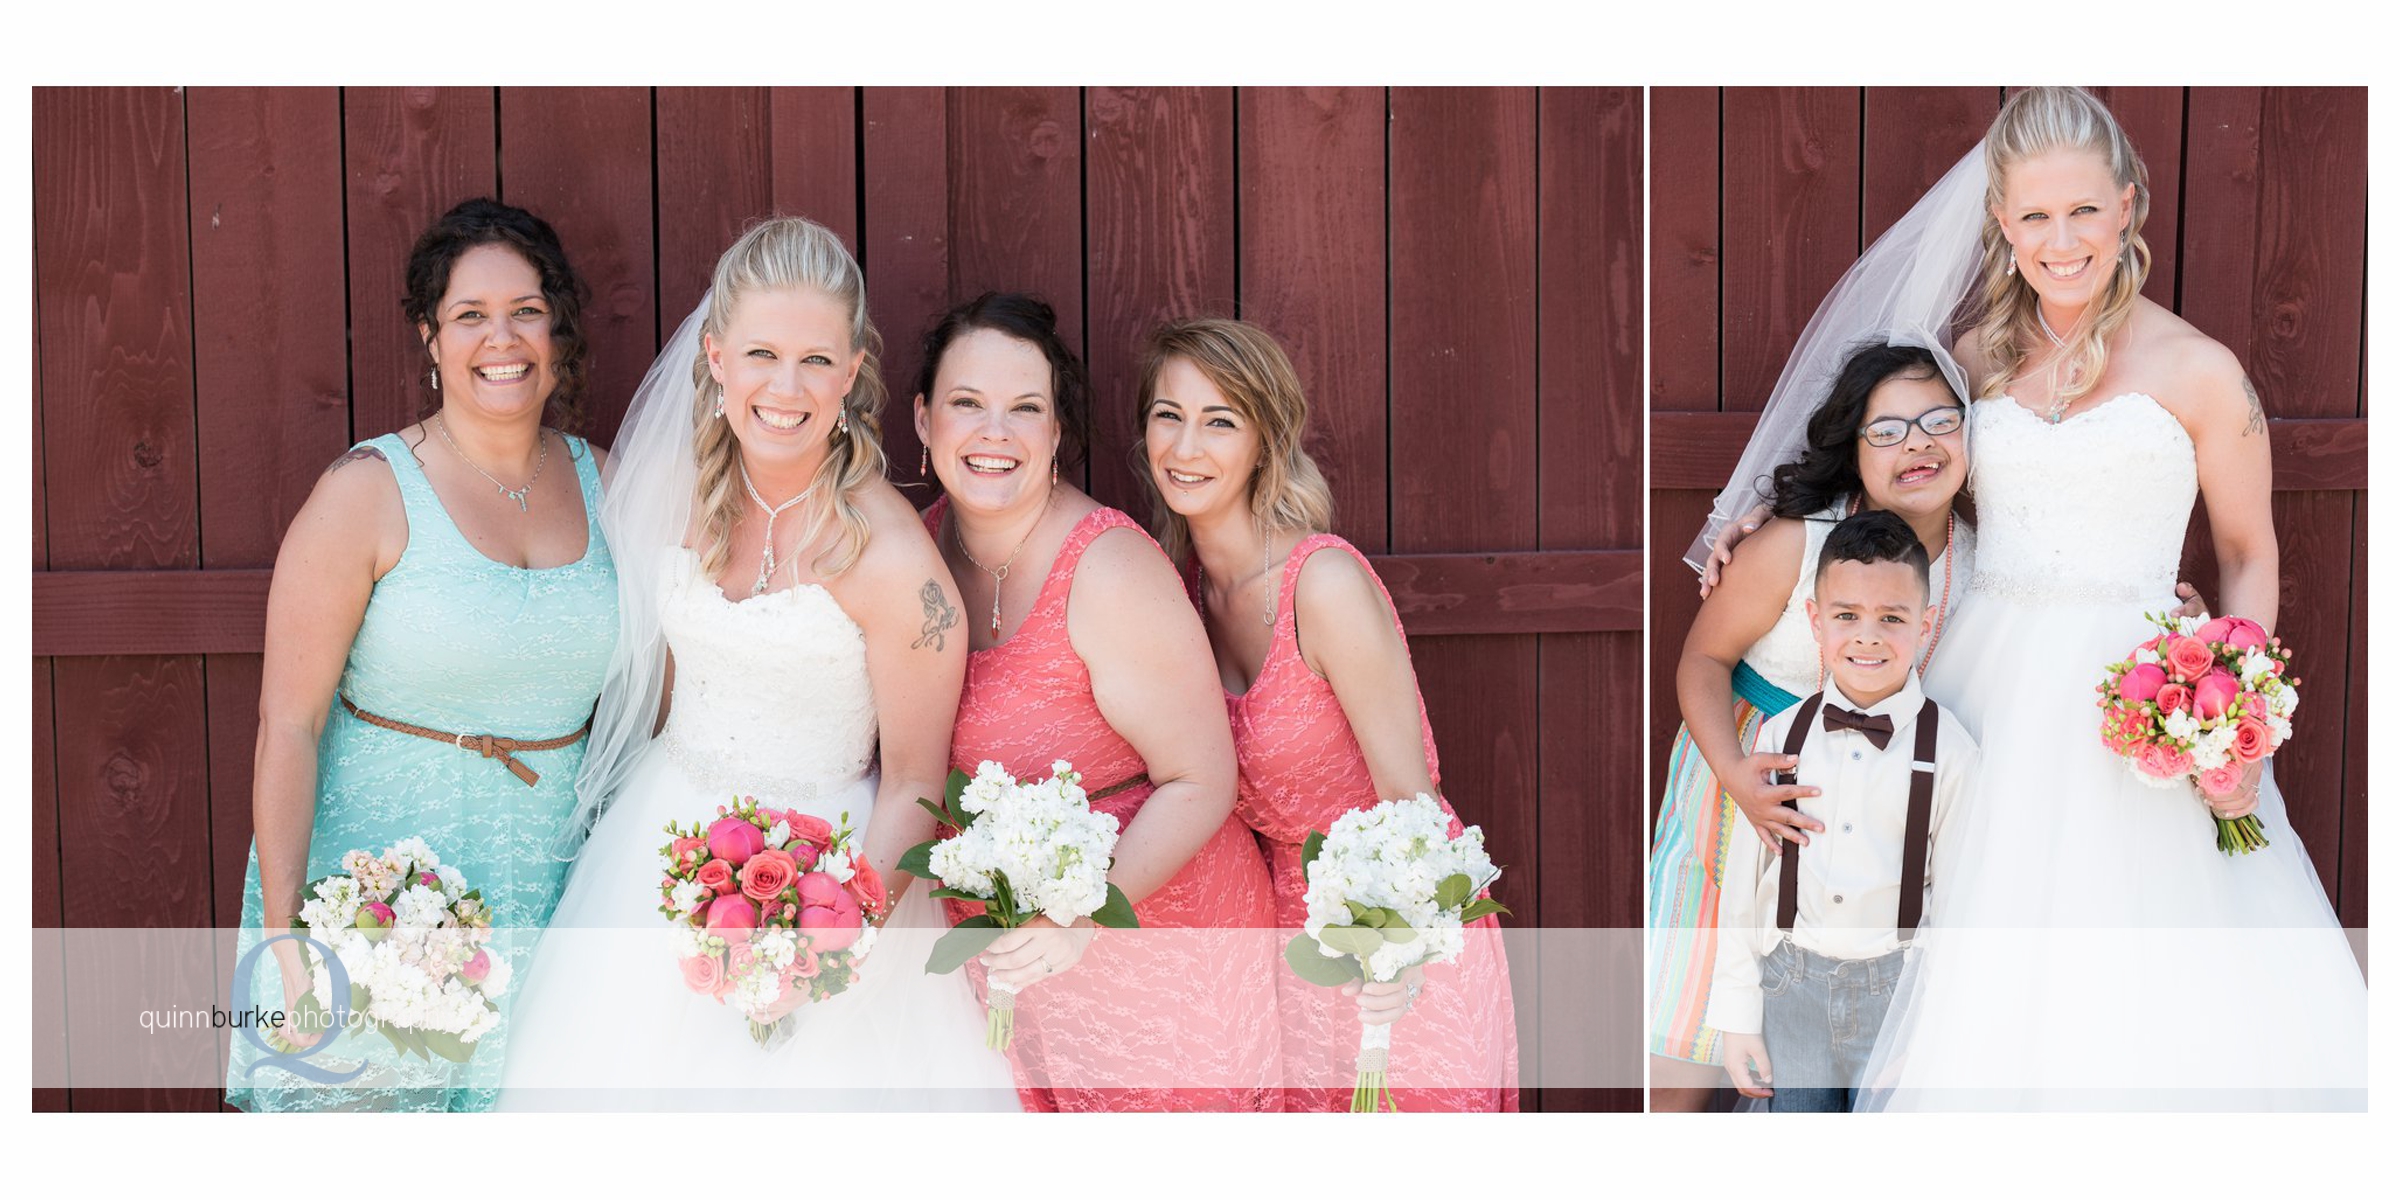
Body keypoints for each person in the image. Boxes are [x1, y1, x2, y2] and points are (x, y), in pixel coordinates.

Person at [1710, 87, 2364, 1109]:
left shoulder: (2203, 373)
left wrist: (2229, 711)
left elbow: (2248, 547)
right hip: (1987, 681)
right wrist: (1785, 517)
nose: (2062, 242)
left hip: (2140, 694)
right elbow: (1906, 470)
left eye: (2085, 212)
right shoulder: (1975, 360)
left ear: (2131, 207)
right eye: (2036, 218)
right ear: (2003, 225)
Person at [496, 217, 1014, 1109]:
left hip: (832, 876)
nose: (787, 387)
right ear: (715, 357)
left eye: (817, 361)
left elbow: (916, 787)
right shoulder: (675, 498)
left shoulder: (894, 563)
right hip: (655, 850)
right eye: (763, 354)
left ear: (852, 374)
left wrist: (830, 937)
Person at [227, 199, 617, 1112]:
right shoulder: (366, 492)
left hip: (553, 891)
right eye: (469, 316)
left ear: (556, 327)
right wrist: (288, 939)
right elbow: (289, 723)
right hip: (382, 894)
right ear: (430, 338)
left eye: (525, 309)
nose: (502, 339)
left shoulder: (608, 481)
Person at [1133, 317, 1519, 1111]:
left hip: (1398, 922)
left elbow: (1413, 802)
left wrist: (1397, 954)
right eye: (1168, 415)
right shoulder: (1177, 596)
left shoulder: (1323, 583)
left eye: (1219, 421)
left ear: (1266, 440)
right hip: (1285, 940)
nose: (1184, 446)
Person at [915, 293, 1283, 1110]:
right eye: (967, 404)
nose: (994, 433)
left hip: (1162, 946)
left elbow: (1201, 780)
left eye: (1026, 409)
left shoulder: (1109, 568)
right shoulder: (918, 547)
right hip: (1020, 966)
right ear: (922, 418)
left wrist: (1077, 916)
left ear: (1056, 434)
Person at [1648, 342, 1973, 1111]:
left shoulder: (1981, 560)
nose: (1918, 444)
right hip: (1746, 783)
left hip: (1873, 816)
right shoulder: (1796, 541)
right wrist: (1733, 775)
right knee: (1694, 1021)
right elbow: (1702, 660)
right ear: (1852, 454)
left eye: (1938, 421)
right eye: (1886, 431)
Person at [1709, 511, 1977, 1113]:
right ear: (1815, 621)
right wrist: (1736, 1018)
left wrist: (1926, 1026)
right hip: (1790, 989)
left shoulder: (1952, 753)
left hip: (1894, 994)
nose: (1868, 636)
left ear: (1926, 623)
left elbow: (1960, 904)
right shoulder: (1780, 736)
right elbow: (1744, 891)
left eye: (1892, 618)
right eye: (1847, 616)